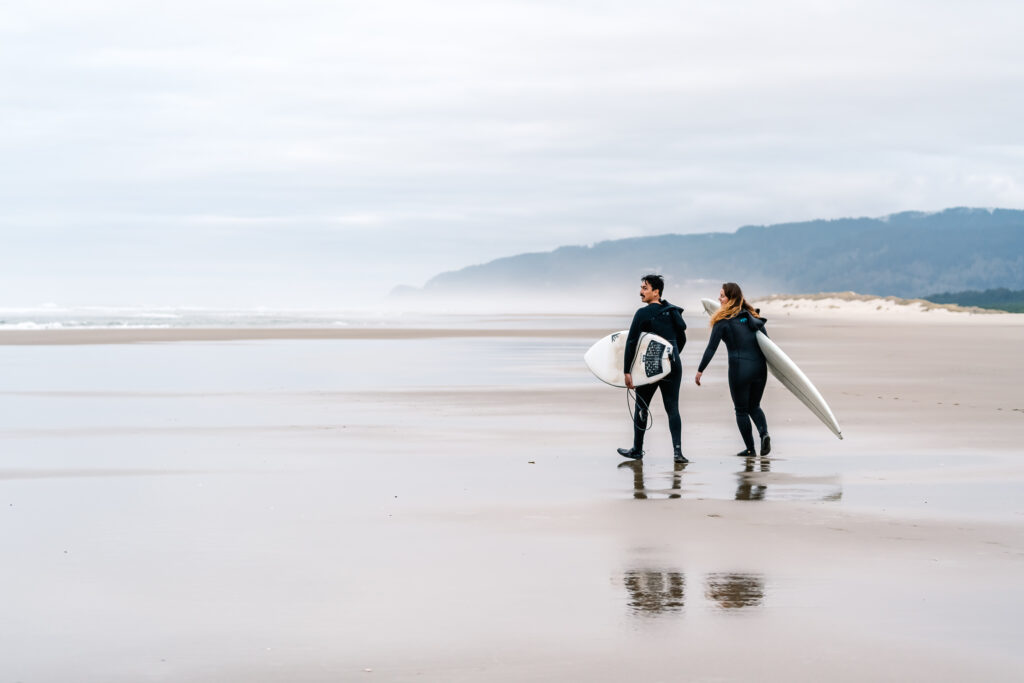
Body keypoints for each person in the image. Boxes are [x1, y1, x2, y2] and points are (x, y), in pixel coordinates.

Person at [617, 274, 688, 464]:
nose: (641, 292)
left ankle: (637, 450)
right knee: (672, 408)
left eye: (645, 288)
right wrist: (671, 358)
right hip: (673, 363)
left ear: (656, 292)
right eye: (641, 287)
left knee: (642, 406)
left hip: (651, 364)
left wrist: (627, 370)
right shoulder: (672, 311)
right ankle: (678, 453)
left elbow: (632, 342)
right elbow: (682, 339)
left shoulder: (642, 313)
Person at [694, 282, 771, 458]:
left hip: (739, 370)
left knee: (741, 410)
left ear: (731, 298)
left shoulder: (722, 321)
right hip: (760, 369)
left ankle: (751, 449)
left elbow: (711, 348)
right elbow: (768, 345)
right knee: (755, 406)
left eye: (722, 296)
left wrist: (700, 370)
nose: (719, 299)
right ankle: (764, 434)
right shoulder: (753, 317)